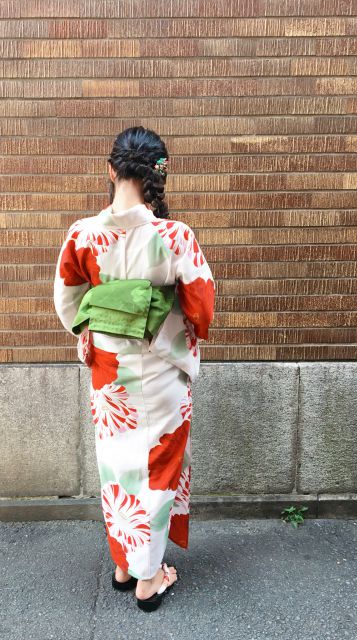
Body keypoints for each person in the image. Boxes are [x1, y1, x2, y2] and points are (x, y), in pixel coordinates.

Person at [53, 126, 215, 612]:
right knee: (157, 470)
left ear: (111, 170)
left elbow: (68, 301)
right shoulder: (175, 237)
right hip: (162, 373)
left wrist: (95, 327)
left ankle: (125, 565)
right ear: (158, 175)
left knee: (119, 468)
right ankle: (149, 578)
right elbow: (201, 309)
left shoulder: (82, 233)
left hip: (110, 375)